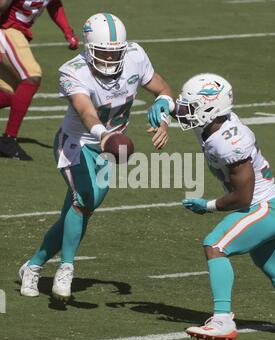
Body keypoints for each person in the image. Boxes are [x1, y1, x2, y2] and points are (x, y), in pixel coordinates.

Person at [18, 12, 174, 300]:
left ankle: (33, 266)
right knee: (84, 200)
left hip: (107, 148)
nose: (111, 60)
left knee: (79, 209)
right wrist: (105, 135)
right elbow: (85, 110)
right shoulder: (73, 70)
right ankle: (65, 267)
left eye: (115, 53)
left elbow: (162, 90)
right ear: (90, 49)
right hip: (77, 143)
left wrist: (163, 115)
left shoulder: (136, 56)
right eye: (103, 53)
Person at [176, 73, 275, 340]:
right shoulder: (210, 123)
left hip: (263, 209)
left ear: (211, 109)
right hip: (266, 209)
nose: (185, 111)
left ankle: (222, 320)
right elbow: (180, 112)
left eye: (191, 106)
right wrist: (162, 109)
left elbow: (242, 197)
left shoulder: (230, 141)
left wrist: (207, 205)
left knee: (215, 245)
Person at [0, 0, 78, 160]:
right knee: (31, 76)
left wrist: (67, 30)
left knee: (10, 94)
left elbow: (54, 4)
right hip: (6, 30)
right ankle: (8, 140)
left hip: (15, 32)